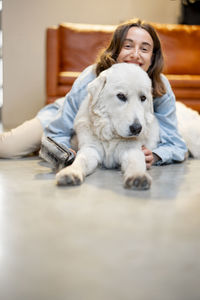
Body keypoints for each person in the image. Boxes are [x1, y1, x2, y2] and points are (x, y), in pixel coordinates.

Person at [0, 18, 188, 169]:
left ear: (153, 57)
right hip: (63, 114)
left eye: (144, 49)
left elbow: (176, 145)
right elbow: (59, 129)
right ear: (116, 51)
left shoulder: (160, 86)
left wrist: (156, 155)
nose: (136, 54)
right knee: (7, 147)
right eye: (128, 46)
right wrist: (64, 151)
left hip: (99, 135)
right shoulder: (92, 76)